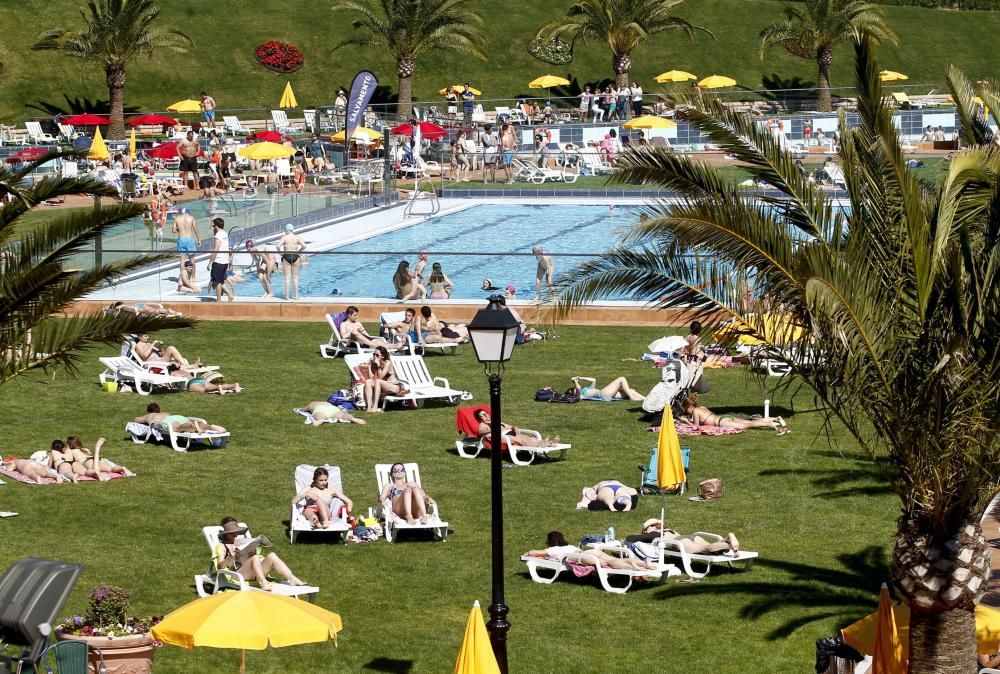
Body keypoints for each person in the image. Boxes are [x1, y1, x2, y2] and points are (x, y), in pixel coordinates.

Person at [213, 518, 307, 591]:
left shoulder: (241, 542)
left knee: (272, 555)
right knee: (255, 558)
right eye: (232, 533)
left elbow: (254, 559)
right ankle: (263, 583)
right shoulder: (221, 546)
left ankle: (292, 578)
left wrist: (251, 552)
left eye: (236, 533)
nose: (235, 535)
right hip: (238, 574)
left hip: (254, 571)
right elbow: (220, 566)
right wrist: (229, 557)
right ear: (226, 534)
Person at [524, 531, 657, 571]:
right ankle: (645, 564)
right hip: (590, 551)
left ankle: (632, 567)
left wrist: (527, 554)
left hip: (582, 557)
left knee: (609, 564)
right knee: (614, 559)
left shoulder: (553, 549)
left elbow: (532, 553)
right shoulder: (568, 546)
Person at [625, 518, 741, 555]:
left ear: (652, 526)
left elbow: (630, 538)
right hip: (690, 537)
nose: (645, 532)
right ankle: (727, 539)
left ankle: (728, 543)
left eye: (646, 529)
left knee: (705, 550)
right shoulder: (670, 530)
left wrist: (645, 536)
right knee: (709, 546)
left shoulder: (655, 533)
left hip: (679, 542)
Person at [680, 394, 789, 433]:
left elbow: (696, 428)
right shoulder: (701, 407)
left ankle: (768, 424)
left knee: (747, 425)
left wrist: (686, 422)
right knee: (750, 421)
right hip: (724, 417)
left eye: (686, 410)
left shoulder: (695, 411)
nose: (687, 412)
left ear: (689, 407)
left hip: (722, 422)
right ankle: (776, 419)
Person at [473, 409, 560, 447]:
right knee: (520, 440)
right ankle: (540, 445)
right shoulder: (483, 425)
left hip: (509, 433)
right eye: (482, 415)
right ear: (480, 418)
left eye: (485, 413)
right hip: (501, 437)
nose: (485, 415)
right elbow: (481, 432)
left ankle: (549, 443)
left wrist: (515, 427)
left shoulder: (497, 421)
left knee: (531, 438)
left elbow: (510, 426)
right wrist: (493, 429)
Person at [133, 402, 228, 434]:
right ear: (159, 410)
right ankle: (210, 426)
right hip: (176, 417)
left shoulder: (150, 415)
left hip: (166, 422)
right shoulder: (165, 413)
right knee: (184, 423)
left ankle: (193, 425)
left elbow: (136, 420)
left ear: (149, 411)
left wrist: (145, 418)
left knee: (179, 428)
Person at [362, 345, 407, 412]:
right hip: (383, 386)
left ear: (382, 356)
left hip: (394, 386)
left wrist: (378, 366)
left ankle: (375, 407)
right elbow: (371, 378)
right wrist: (370, 366)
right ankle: (369, 407)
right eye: (374, 354)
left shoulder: (387, 363)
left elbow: (380, 377)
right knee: (368, 381)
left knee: (378, 381)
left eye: (377, 355)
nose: (374, 357)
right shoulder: (375, 363)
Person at [207, 217, 234, 302]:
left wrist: (210, 262)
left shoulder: (218, 235)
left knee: (217, 282)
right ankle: (229, 295)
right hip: (225, 261)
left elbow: (216, 249)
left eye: (213, 226)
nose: (213, 228)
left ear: (216, 226)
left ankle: (219, 301)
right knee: (221, 281)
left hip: (218, 261)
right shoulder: (225, 234)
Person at [172, 206, 200, 288]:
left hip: (181, 239)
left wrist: (180, 229)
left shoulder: (177, 218)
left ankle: (182, 278)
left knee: (182, 260)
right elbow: (196, 229)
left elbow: (173, 230)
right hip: (189, 239)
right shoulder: (191, 218)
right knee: (192, 260)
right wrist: (199, 239)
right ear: (188, 212)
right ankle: (192, 278)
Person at [168, 366, 243, 394]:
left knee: (204, 390)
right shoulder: (184, 371)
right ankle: (234, 385)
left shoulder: (173, 374)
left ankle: (218, 388)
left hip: (191, 383)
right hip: (199, 379)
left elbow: (169, 384)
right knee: (211, 386)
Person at [278, 223, 305, 301]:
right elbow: (304, 246)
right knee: (295, 278)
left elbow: (277, 246)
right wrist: (299, 251)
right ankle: (296, 296)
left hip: (286, 256)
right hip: (295, 256)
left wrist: (281, 253)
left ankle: (287, 297)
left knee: (287, 278)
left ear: (286, 230)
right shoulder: (297, 237)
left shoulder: (284, 237)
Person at [576, 480, 640, 511]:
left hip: (605, 488)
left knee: (608, 499)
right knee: (624, 496)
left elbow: (589, 493)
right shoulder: (617, 482)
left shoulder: (601, 483)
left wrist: (594, 498)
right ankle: (628, 504)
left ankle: (611, 506)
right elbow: (633, 491)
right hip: (619, 487)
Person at [571, 375, 645, 401]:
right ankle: (632, 398)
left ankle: (646, 399)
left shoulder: (587, 389)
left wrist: (581, 378)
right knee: (621, 379)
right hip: (602, 394)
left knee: (630, 390)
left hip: (604, 394)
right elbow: (578, 388)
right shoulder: (580, 394)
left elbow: (594, 380)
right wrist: (575, 381)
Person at [302, 400, 366, 425]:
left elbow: (304, 409)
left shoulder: (313, 404)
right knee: (342, 415)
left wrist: (302, 409)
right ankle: (352, 419)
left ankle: (320, 420)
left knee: (319, 415)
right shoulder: (328, 403)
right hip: (333, 409)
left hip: (320, 409)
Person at [499, 117, 518, 184]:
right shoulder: (501, 129)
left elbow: (515, 136)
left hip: (508, 149)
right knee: (509, 165)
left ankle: (510, 180)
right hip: (508, 149)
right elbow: (501, 138)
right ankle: (511, 179)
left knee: (506, 166)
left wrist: (515, 143)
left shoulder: (511, 128)